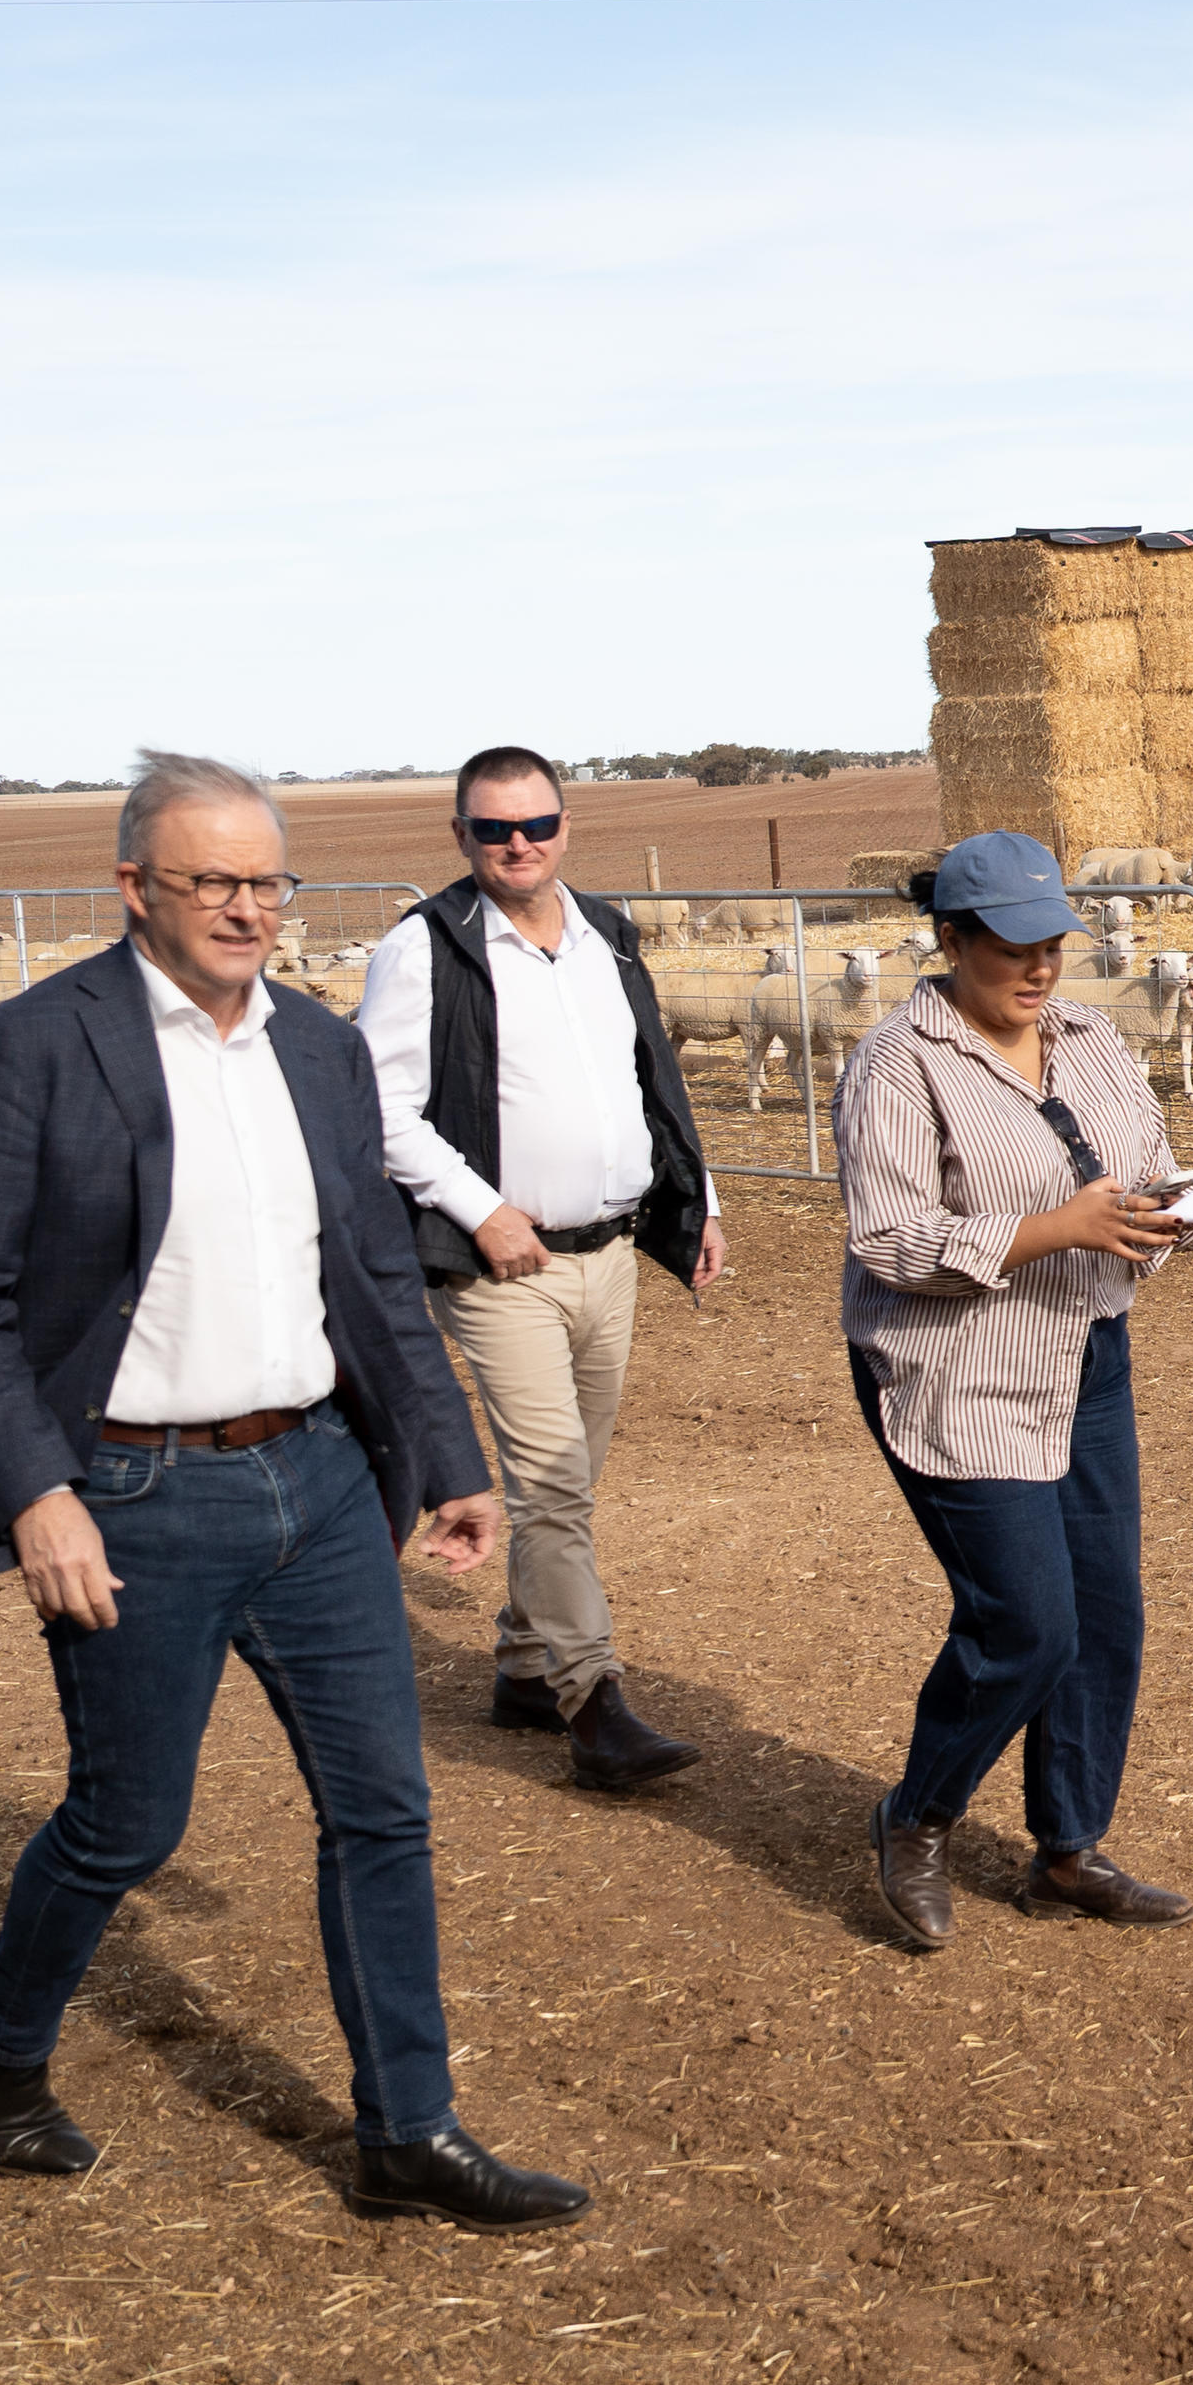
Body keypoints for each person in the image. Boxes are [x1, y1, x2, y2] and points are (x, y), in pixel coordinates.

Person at [0, 752, 588, 2228]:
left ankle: (409, 2130)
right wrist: (36, 1493)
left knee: (384, 1811)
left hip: (323, 1482)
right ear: (135, 886)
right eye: (212, 880)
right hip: (135, 1494)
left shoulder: (322, 1054)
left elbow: (375, 1285)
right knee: (129, 1824)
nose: (246, 909)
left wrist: (449, 1462)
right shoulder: (32, 1046)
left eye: (267, 880)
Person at [835, 830, 1193, 1951]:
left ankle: (1067, 1850)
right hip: (958, 1369)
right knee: (1026, 1623)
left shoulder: (1090, 1039)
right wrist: (1057, 1228)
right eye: (1011, 948)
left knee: (1104, 1620)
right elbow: (891, 1241)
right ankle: (918, 1817)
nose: (1040, 970)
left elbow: (1146, 1162)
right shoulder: (897, 1061)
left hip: (1086, 1352)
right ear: (949, 940)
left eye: (1054, 945)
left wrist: (1169, 1218)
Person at [359, 745, 726, 1796]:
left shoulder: (606, 934)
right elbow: (379, 1110)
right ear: (460, 836)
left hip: (609, 1253)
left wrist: (699, 1202)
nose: (517, 844)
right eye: (492, 829)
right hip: (498, 1270)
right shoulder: (424, 950)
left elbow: (649, 1076)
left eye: (536, 825)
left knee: (569, 1482)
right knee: (555, 1487)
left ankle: (524, 1662)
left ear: (565, 825)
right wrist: (482, 1211)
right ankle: (592, 1703)